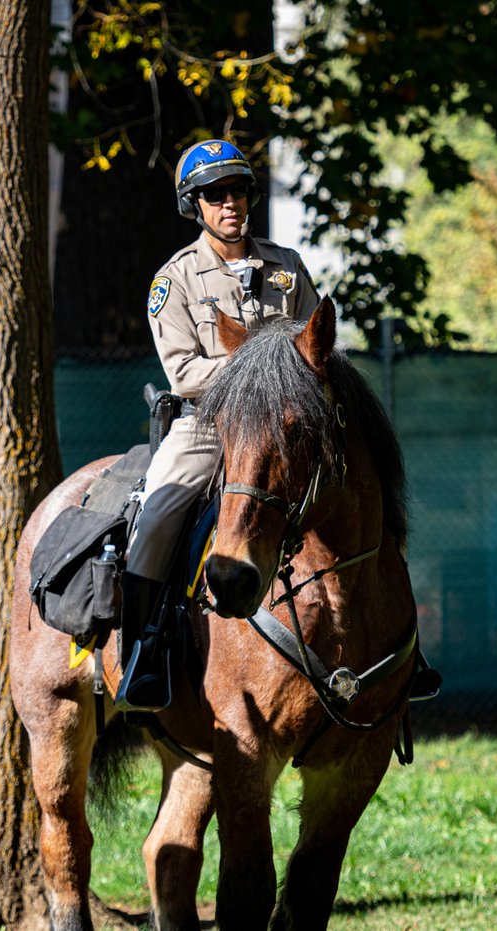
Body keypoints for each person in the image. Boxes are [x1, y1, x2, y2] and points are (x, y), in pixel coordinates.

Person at [113, 140, 323, 713]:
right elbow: (182, 372)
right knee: (156, 515)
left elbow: (313, 345)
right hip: (208, 424)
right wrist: (259, 368)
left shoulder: (287, 266)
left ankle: (400, 650)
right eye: (214, 194)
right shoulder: (174, 279)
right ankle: (142, 657)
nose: (230, 202)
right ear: (194, 204)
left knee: (363, 482)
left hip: (284, 423)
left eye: (238, 191)